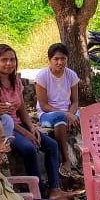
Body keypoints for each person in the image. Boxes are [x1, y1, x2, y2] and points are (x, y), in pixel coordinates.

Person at [0, 43, 72, 200]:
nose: (9, 63)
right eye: (4, 60)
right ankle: (39, 193)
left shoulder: (15, 80)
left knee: (51, 145)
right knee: (30, 148)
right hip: (2, 128)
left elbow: (21, 107)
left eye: (12, 60)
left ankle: (55, 189)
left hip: (20, 125)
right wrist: (26, 133)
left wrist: (31, 127)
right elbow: (1, 117)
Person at [34, 42, 81, 177]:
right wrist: (66, 114)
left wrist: (71, 114)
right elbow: (43, 105)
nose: (60, 62)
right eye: (56, 59)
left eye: (63, 58)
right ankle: (66, 160)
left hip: (69, 111)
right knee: (60, 119)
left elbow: (75, 101)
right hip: (48, 114)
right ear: (49, 60)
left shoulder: (71, 75)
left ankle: (87, 158)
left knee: (88, 116)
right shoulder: (42, 76)